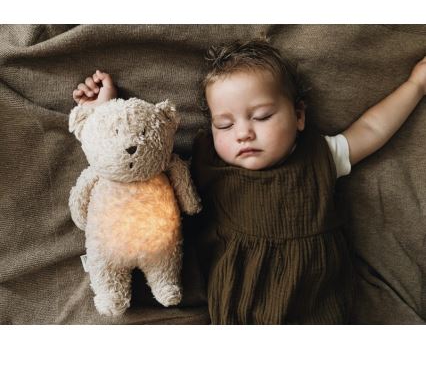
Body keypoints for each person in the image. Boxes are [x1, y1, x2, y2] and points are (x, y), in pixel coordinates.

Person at [72, 41, 426, 324]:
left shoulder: (321, 157)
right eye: (224, 124)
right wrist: (107, 107)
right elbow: (138, 159)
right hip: (238, 308)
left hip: (318, 304)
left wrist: (415, 85)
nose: (243, 132)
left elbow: (372, 130)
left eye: (262, 116)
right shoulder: (206, 166)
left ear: (299, 116)